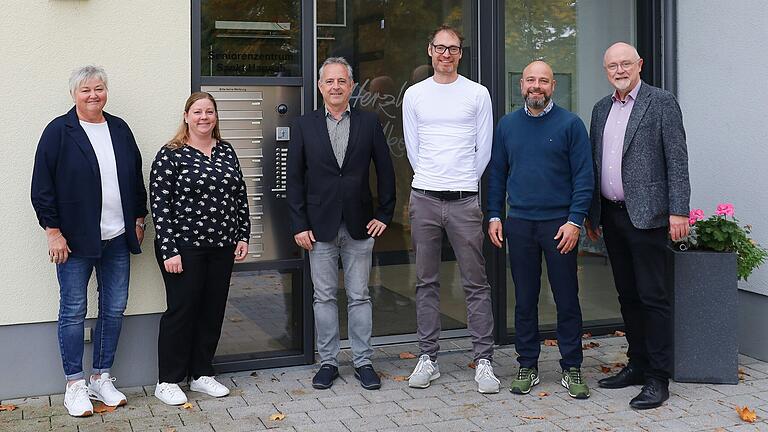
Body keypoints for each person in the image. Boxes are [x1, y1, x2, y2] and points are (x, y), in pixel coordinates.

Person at [31, 65, 148, 417]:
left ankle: (101, 376)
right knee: (73, 311)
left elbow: (134, 175)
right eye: (86, 90)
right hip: (74, 242)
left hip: (116, 238)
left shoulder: (119, 128)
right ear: (74, 94)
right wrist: (53, 232)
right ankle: (74, 384)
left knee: (114, 309)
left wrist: (139, 218)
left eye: (99, 89)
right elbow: (42, 187)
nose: (94, 95)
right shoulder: (59, 131)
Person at [585, 42, 690, 409]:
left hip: (648, 217)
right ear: (606, 70)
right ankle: (637, 364)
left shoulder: (661, 102)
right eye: (612, 65)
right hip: (612, 217)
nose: (619, 70)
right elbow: (596, 164)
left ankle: (658, 378)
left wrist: (679, 211)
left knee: (653, 298)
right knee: (627, 297)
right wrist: (592, 214)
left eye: (625, 63)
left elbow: (676, 159)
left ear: (639, 64)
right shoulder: (601, 109)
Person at [287, 57, 396, 391]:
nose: (335, 87)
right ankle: (329, 362)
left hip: (360, 223)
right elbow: (293, 179)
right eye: (329, 81)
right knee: (323, 297)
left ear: (351, 86)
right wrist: (299, 223)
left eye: (342, 81)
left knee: (360, 296)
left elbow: (386, 171)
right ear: (321, 87)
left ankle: (363, 362)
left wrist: (384, 214)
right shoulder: (304, 125)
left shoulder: (369, 122)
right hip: (318, 227)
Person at [487, 61, 594, 399]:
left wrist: (575, 220)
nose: (537, 86)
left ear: (553, 86)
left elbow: (584, 177)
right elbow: (497, 175)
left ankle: (572, 366)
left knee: (566, 298)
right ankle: (527, 365)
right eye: (531, 80)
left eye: (543, 81)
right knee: (525, 299)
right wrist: (494, 214)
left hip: (559, 226)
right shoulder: (507, 125)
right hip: (519, 224)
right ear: (521, 85)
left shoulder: (570, 125)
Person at [402, 25, 499, 394]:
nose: (446, 54)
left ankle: (484, 361)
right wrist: (433, 179)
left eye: (453, 49)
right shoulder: (414, 95)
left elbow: (484, 148)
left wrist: (461, 182)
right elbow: (413, 149)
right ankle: (428, 358)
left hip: (464, 199)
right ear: (430, 51)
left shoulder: (477, 93)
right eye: (440, 48)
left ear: (461, 53)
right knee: (426, 281)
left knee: (475, 282)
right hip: (425, 197)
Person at [149, 92, 250, 405]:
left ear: (216, 117)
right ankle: (167, 380)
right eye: (197, 112)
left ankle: (201, 374)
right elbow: (159, 205)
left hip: (222, 246)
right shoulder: (171, 154)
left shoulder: (226, 151)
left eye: (209, 111)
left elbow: (239, 194)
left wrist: (243, 234)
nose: (204, 117)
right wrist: (169, 250)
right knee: (182, 311)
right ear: (186, 116)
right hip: (185, 248)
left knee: (212, 310)